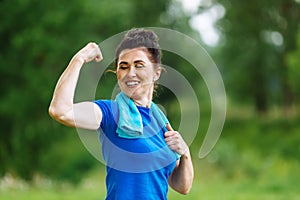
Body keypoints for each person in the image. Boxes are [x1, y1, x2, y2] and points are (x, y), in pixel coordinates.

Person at [49, 28, 194, 199]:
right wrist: (78, 59)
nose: (130, 73)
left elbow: (182, 186)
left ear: (156, 73)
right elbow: (60, 111)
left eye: (138, 65)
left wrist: (185, 153)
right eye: (123, 67)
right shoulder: (111, 113)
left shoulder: (160, 121)